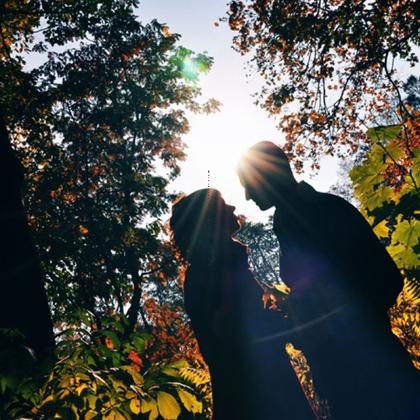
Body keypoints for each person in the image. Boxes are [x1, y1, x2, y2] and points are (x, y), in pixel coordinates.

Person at [237, 141, 419, 419]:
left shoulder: (326, 210)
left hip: (374, 374)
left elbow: (385, 279)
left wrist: (325, 322)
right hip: (345, 378)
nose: (248, 196)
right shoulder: (289, 222)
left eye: (248, 185)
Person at [170, 188, 315, 420]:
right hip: (259, 395)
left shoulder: (215, 267)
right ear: (210, 220)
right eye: (223, 205)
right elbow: (237, 334)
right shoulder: (212, 271)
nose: (232, 208)